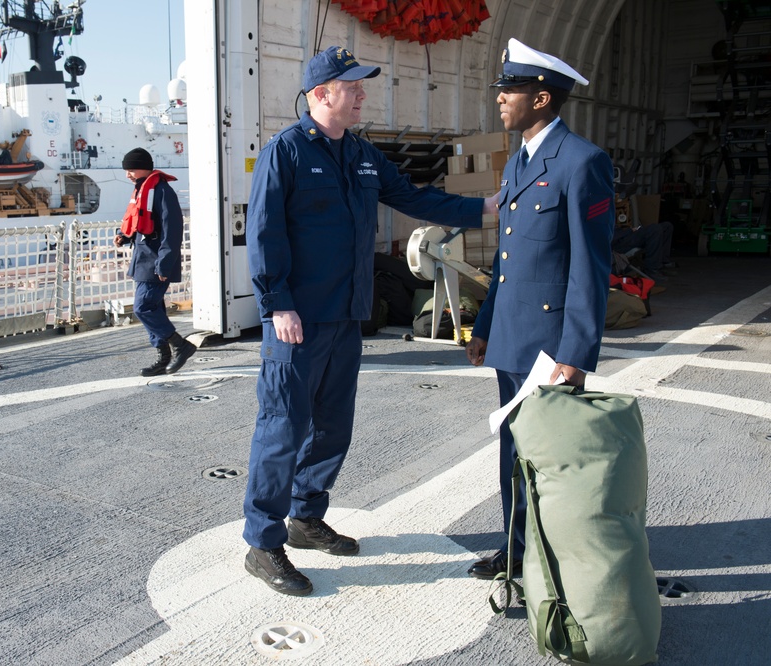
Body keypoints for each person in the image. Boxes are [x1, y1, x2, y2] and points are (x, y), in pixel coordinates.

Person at [243, 45, 499, 596]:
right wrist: (276, 303)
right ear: (320, 95)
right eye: (352, 85)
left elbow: (412, 197)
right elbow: (263, 235)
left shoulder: (360, 154)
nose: (362, 93)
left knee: (333, 427)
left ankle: (306, 519)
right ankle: (263, 544)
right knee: (282, 429)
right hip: (297, 320)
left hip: (346, 317)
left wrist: (483, 210)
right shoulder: (284, 153)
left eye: (361, 85)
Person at [464, 38, 615, 581]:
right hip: (510, 338)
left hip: (551, 347)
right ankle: (516, 549)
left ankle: (548, 567)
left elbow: (589, 268)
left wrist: (574, 353)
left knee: (548, 462)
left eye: (512, 89)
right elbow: (509, 261)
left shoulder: (582, 163)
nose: (501, 98)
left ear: (544, 98)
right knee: (513, 454)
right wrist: (483, 326)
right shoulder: (516, 166)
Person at [113, 147, 196, 376]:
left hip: (156, 261)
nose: (128, 174)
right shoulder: (142, 190)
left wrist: (164, 263)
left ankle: (181, 345)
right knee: (154, 307)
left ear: (144, 167)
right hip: (143, 260)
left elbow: (172, 230)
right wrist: (124, 235)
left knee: (144, 307)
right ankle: (163, 358)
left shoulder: (161, 191)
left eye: (131, 169)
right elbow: (139, 223)